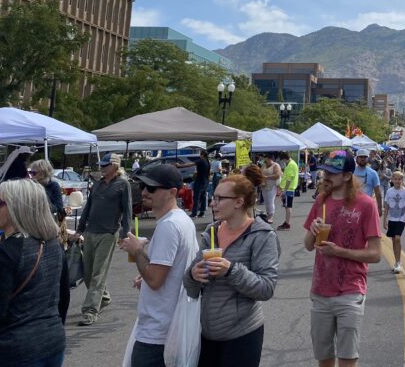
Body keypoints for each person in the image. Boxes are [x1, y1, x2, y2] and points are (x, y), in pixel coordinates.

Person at [0, 179, 69, 367]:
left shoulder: (4, 254)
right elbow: (62, 298)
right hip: (51, 344)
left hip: (10, 351)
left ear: (16, 208)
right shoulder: (52, 245)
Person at [183, 173, 281, 367]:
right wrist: (193, 275)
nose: (213, 203)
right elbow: (190, 287)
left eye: (219, 198)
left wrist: (231, 270)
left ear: (238, 202)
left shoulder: (262, 236)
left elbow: (266, 288)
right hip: (207, 333)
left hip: (242, 334)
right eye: (213, 197)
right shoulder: (212, 231)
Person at [303, 150, 382, 367]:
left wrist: (339, 251)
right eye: (325, 171)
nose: (326, 176)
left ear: (347, 176)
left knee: (347, 358)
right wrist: (313, 229)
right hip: (320, 291)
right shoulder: (321, 200)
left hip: (350, 291)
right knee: (324, 358)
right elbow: (308, 246)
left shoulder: (366, 205)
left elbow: (375, 254)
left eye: (332, 173)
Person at [118, 164, 196, 367]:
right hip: (170, 327)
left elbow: (155, 279)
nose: (144, 192)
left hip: (158, 332)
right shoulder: (181, 220)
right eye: (143, 186)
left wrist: (137, 251)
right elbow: (172, 270)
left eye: (152, 188)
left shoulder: (169, 225)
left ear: (172, 192)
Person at [77, 152, 131, 326]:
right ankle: (104, 297)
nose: (101, 168)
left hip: (108, 233)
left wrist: (125, 234)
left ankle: (90, 311)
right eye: (101, 165)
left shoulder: (123, 184)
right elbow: (88, 207)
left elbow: (127, 211)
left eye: (105, 166)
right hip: (91, 231)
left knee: (98, 274)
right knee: (87, 272)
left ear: (115, 167)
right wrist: (80, 229)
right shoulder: (97, 184)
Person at [383, 171, 405, 273]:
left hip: (401, 219)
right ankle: (396, 261)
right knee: (393, 240)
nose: (397, 181)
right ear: (392, 180)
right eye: (395, 179)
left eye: (399, 179)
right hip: (392, 219)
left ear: (402, 180)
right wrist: (384, 220)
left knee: (397, 239)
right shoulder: (389, 192)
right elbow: (386, 207)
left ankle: (399, 262)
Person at [353, 149, 383, 215]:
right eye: (361, 157)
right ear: (357, 158)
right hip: (353, 206)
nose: (362, 159)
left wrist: (379, 208)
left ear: (368, 158)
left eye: (365, 157)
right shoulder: (351, 171)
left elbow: (377, 192)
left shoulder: (373, 173)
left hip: (367, 206)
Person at [260, 154, 283, 223]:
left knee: (270, 201)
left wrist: (267, 177)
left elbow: (277, 175)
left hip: (272, 185)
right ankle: (268, 214)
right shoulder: (264, 165)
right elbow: (260, 173)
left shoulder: (276, 165)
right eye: (264, 160)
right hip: (264, 185)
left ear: (270, 159)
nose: (265, 161)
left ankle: (270, 216)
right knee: (266, 201)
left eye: (266, 160)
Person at [279, 154, 300, 230]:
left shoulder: (291, 165)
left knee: (288, 206)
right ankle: (286, 222)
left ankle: (287, 223)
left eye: (283, 160)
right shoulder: (292, 164)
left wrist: (284, 191)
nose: (283, 162)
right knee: (287, 206)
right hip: (289, 189)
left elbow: (289, 179)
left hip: (288, 189)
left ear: (285, 159)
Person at [191, 150, 212, 218]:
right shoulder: (208, 162)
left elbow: (191, 164)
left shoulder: (201, 161)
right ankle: (202, 213)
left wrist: (180, 165)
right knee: (203, 197)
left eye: (200, 154)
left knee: (196, 197)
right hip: (205, 181)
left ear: (202, 155)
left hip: (199, 181)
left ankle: (194, 213)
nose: (200, 156)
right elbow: (209, 173)